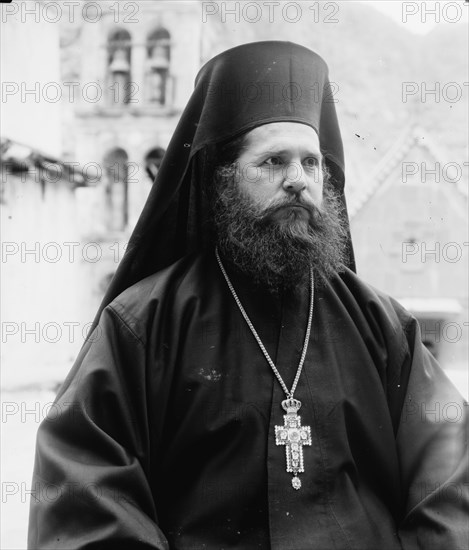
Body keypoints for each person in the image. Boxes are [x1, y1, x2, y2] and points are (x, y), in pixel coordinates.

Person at [28, 41, 468, 550]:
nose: (298, 181)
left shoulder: (381, 323)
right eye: (274, 162)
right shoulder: (143, 324)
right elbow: (82, 491)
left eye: (311, 163)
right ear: (223, 180)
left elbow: (449, 471)